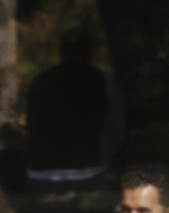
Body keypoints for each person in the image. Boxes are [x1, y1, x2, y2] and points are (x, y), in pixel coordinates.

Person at [24, 28, 124, 189]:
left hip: (40, 174)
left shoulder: (39, 82)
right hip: (89, 173)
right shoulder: (104, 81)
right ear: (90, 52)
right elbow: (117, 131)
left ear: (61, 53)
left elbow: (30, 127)